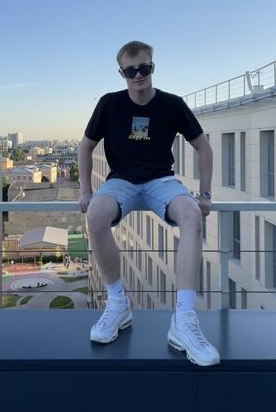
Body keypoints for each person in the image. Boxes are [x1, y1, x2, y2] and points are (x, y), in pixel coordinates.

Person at [77, 40, 220, 367]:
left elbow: (204, 147)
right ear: (122, 74)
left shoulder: (172, 104)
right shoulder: (109, 104)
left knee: (191, 216)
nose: (138, 75)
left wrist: (205, 194)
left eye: (144, 68)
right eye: (131, 71)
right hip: (121, 181)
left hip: (161, 180)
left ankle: (184, 319)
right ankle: (118, 304)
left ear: (153, 67)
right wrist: (85, 191)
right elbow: (85, 147)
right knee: (95, 215)